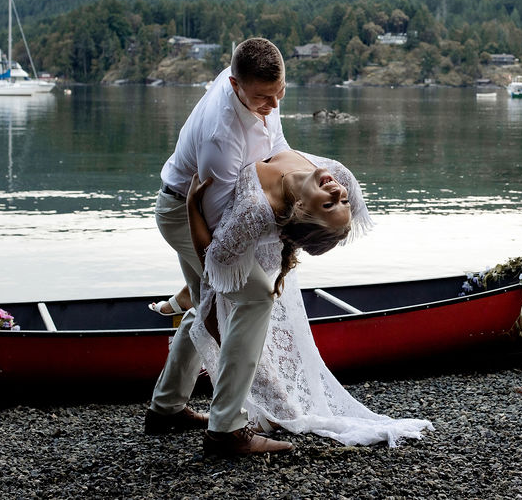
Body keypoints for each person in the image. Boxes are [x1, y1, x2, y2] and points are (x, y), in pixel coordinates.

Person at [186, 149, 433, 447]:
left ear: (302, 208)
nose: (338, 191)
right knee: (208, 315)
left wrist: (191, 208)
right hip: (243, 240)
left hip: (231, 243)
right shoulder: (339, 178)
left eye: (331, 203)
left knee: (220, 316)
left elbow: (212, 260)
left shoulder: (257, 208)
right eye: (341, 201)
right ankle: (187, 405)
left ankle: (229, 421)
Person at [145, 37, 293, 456]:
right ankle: (226, 429)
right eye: (264, 97)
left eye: (279, 91)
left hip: (199, 208)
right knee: (255, 298)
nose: (274, 102)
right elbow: (216, 239)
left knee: (204, 301)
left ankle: (166, 409)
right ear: (235, 85)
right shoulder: (220, 136)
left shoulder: (260, 93)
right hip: (185, 216)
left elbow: (277, 150)